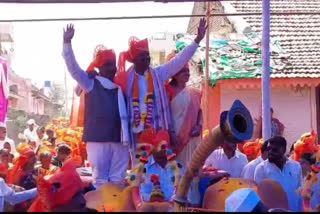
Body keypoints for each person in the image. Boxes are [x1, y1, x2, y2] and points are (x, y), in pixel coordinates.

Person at [113, 19, 206, 155]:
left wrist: (197, 40)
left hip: (157, 133)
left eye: (148, 56)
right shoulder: (125, 79)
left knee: (156, 170)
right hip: (136, 134)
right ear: (134, 60)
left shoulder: (158, 74)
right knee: (139, 173)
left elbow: (179, 60)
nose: (147, 59)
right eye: (142, 57)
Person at [62, 24, 130, 188]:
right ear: (99, 67)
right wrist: (67, 43)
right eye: (108, 65)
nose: (113, 68)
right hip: (97, 141)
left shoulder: (121, 86)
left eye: (113, 64)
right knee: (99, 181)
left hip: (119, 141)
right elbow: (73, 69)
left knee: (118, 182)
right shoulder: (91, 83)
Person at [164, 52, 202, 166]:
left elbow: (200, 112)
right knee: (175, 174)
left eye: (188, 71)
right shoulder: (166, 91)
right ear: (175, 73)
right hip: (174, 140)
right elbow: (164, 115)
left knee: (192, 174)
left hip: (192, 139)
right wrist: (172, 135)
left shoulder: (195, 93)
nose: (187, 74)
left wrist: (199, 126)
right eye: (184, 71)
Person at [254, 136, 303, 212]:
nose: (270, 152)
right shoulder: (261, 169)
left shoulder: (296, 166)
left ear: (283, 150)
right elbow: (258, 197)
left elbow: (300, 193)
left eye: (274, 150)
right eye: (268, 149)